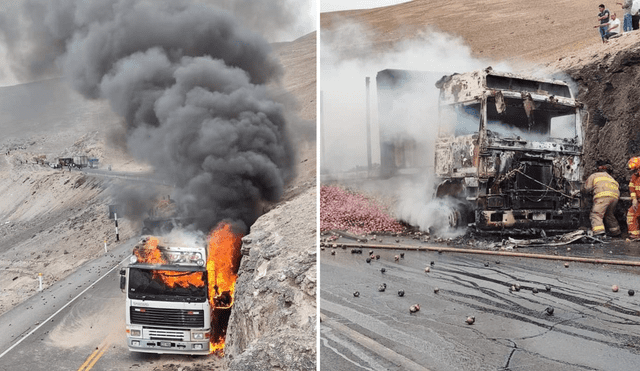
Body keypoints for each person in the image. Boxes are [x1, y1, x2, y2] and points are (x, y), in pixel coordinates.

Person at [582, 164, 621, 236]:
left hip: (603, 196)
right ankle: (616, 232)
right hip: (615, 196)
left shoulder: (594, 175)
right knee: (609, 214)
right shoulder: (611, 177)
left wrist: (582, 192)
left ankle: (599, 232)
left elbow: (587, 188)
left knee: (596, 214)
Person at [626, 157, 640, 240]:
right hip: (638, 201)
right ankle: (634, 235)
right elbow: (632, 189)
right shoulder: (635, 176)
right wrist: (634, 199)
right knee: (631, 214)